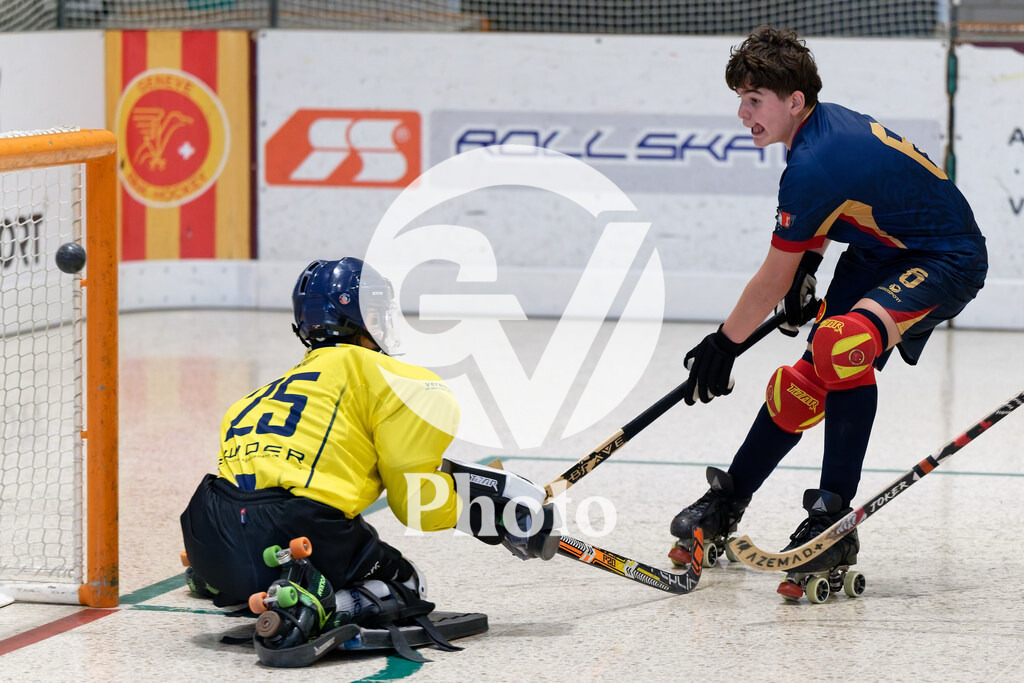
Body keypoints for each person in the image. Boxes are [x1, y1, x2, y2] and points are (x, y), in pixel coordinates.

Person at [668, 26, 987, 583]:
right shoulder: (814, 132)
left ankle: (832, 518)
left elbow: (771, 279)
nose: (742, 113)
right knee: (802, 384)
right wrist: (809, 270)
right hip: (878, 252)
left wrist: (724, 345)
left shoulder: (814, 162)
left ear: (794, 101)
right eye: (740, 100)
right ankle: (728, 502)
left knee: (842, 348)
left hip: (946, 257)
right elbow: (826, 222)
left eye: (753, 100)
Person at [180, 257, 559, 656]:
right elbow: (417, 504)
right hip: (297, 529)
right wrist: (492, 516)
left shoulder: (255, 397)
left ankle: (215, 579)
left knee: (278, 520)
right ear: (359, 317)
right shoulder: (407, 384)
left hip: (210, 534)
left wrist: (487, 495)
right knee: (408, 583)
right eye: (377, 313)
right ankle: (317, 607)